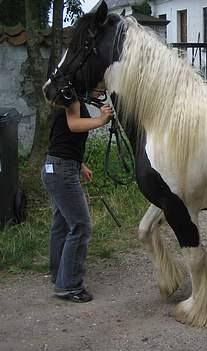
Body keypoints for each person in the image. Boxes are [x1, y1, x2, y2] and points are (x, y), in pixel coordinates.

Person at [41, 87, 113, 303]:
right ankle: (69, 286)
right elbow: (73, 125)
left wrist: (80, 164)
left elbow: (60, 137)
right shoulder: (71, 97)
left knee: (62, 225)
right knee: (80, 226)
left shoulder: (69, 98)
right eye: (99, 86)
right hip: (62, 171)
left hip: (56, 166)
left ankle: (59, 275)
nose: (102, 91)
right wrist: (101, 120)